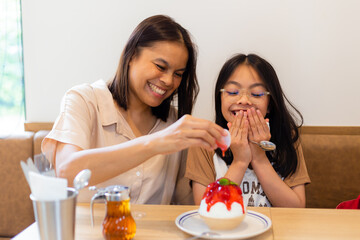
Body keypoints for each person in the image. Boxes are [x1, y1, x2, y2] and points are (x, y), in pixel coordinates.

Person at [42, 15, 227, 204]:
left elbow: (183, 203)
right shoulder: (84, 100)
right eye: (160, 66)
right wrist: (154, 143)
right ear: (131, 56)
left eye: (178, 74)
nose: (169, 81)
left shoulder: (174, 124)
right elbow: (66, 172)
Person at [185, 53, 311, 207]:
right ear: (220, 98)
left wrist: (259, 158)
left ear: (270, 104)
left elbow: (296, 209)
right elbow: (206, 210)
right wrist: (240, 161)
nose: (244, 100)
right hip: (227, 231)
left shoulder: (287, 138)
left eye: (256, 94)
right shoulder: (204, 141)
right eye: (232, 92)